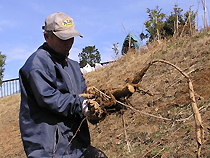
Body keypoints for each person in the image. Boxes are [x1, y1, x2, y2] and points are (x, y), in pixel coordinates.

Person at [19, 12, 108, 158]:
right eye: (63, 38)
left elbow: (83, 95)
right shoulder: (36, 65)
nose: (69, 43)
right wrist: (82, 105)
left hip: (76, 146)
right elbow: (50, 99)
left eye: (71, 37)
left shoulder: (73, 66)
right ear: (47, 37)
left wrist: (97, 105)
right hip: (50, 150)